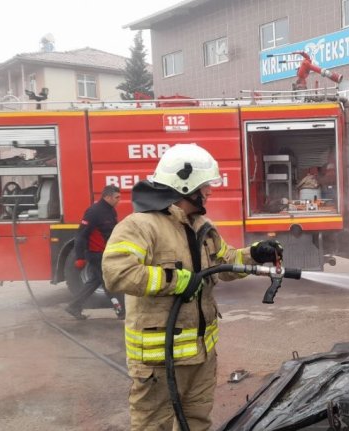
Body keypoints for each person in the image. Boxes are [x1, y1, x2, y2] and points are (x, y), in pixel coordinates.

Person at [101, 144, 283, 430]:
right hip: (159, 362)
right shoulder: (140, 225)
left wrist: (255, 253)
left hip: (201, 357)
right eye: (205, 185)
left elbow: (227, 263)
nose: (210, 191)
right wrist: (175, 281)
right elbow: (117, 273)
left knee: (197, 424)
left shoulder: (202, 226)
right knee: (153, 427)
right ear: (185, 185)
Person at [65, 185, 123, 320]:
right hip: (96, 254)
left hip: (106, 252)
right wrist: (80, 257)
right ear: (107, 197)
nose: (119, 200)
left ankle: (74, 306)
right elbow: (80, 235)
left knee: (95, 281)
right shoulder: (93, 211)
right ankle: (122, 312)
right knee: (110, 282)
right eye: (117, 197)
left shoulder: (111, 211)